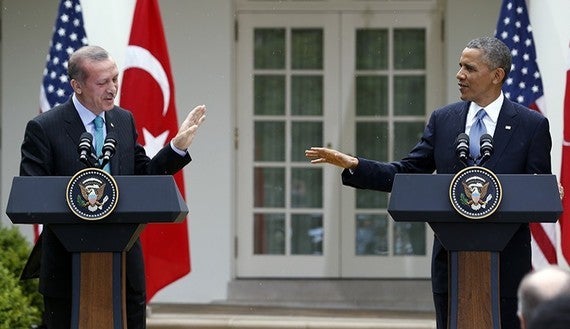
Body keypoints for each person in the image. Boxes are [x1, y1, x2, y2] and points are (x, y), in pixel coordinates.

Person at [305, 36, 552, 329]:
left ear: (497, 75)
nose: (460, 75)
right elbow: (409, 173)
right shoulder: (444, 120)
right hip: (452, 262)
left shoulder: (531, 124)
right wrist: (356, 165)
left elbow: (537, 190)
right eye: (460, 66)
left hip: (507, 264)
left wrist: (548, 191)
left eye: (470, 69)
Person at [19, 45, 206, 329]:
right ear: (77, 86)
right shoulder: (45, 128)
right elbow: (33, 194)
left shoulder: (122, 120)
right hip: (66, 266)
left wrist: (176, 149)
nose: (112, 88)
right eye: (102, 82)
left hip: (122, 262)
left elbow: (143, 177)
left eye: (115, 79)